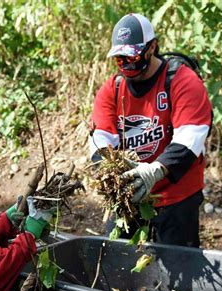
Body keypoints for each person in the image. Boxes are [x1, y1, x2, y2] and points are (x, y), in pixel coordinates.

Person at [90, 13, 212, 248]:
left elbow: (191, 135)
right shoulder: (112, 90)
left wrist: (154, 171)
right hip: (130, 193)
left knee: (179, 267)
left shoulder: (182, 81)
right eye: (120, 58)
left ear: (151, 47)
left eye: (131, 56)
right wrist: (113, 175)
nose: (126, 64)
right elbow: (100, 137)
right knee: (117, 258)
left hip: (176, 194)